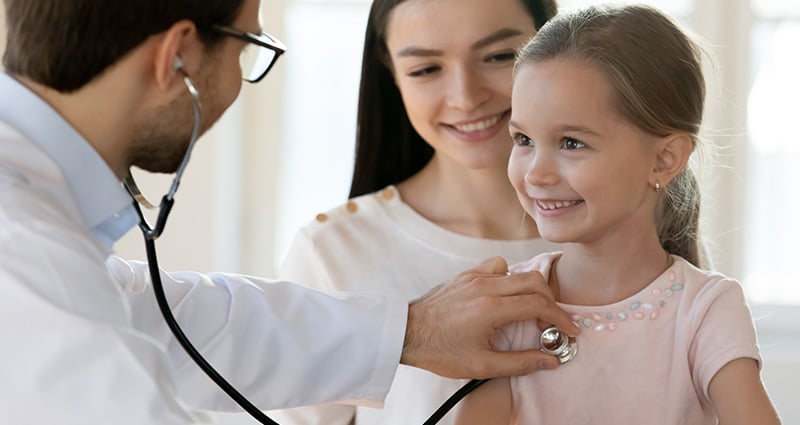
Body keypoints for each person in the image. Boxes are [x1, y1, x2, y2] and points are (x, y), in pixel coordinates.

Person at [0, 0, 581, 423]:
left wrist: (411, 330)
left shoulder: (36, 222)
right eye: (249, 48)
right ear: (176, 58)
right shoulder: (20, 241)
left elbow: (166, 321)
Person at [454, 4, 782, 424]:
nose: (535, 172)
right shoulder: (511, 306)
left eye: (571, 143)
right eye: (523, 139)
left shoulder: (705, 311)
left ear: (664, 159)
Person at [268, 0, 560, 424]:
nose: (466, 98)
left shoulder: (627, 229)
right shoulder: (334, 250)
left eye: (499, 57)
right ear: (391, 73)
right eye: (426, 69)